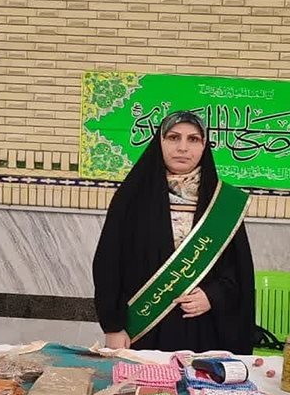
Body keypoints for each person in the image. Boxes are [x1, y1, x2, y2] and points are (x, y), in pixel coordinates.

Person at [92, 110, 255, 354]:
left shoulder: (223, 203)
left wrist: (212, 296)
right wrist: (113, 327)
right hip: (143, 330)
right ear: (160, 141)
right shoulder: (131, 197)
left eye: (193, 139)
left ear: (204, 146)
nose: (182, 147)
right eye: (173, 137)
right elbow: (108, 264)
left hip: (202, 329)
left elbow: (237, 271)